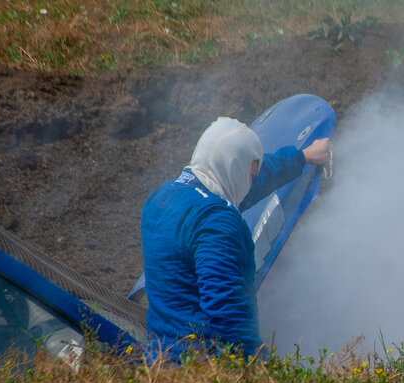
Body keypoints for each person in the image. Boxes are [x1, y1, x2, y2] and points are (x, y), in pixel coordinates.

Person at [141, 116, 331, 360]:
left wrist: (302, 157)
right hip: (198, 372)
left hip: (158, 362)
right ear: (234, 168)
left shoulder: (161, 198)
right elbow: (229, 316)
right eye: (250, 174)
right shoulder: (218, 223)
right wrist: (258, 378)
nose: (251, 183)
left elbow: (244, 183)